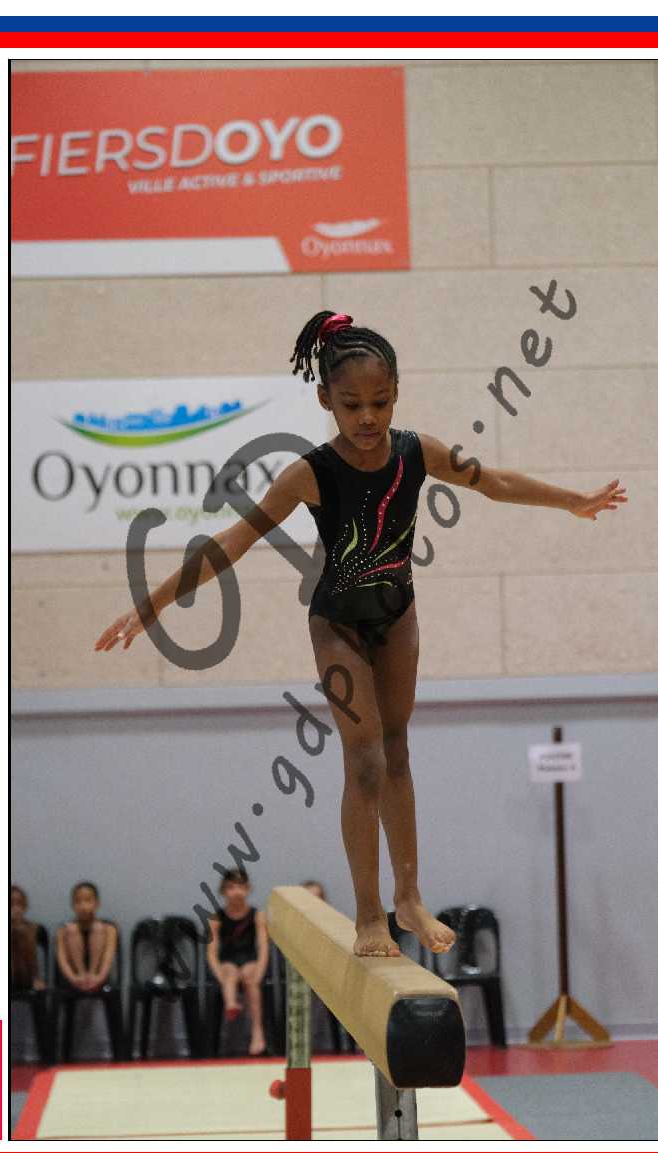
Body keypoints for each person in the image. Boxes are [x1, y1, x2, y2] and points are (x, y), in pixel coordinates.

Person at [95, 311, 627, 959]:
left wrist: (572, 500)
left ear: (397, 392)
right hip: (337, 624)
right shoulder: (310, 472)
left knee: (398, 750)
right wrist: (151, 605)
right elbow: (231, 543)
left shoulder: (417, 452)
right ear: (326, 400)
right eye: (351, 405)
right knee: (365, 757)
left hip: (398, 615)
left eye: (380, 402)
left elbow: (494, 483)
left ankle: (410, 897)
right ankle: (369, 915)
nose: (367, 417)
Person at [55, 881, 127, 1060]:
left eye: (88, 900)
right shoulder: (65, 930)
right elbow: (62, 959)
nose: (83, 906)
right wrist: (75, 978)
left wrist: (98, 977)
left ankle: (91, 974)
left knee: (98, 928)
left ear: (97, 903)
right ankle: (83, 974)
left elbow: (109, 957)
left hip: (99, 976)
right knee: (72, 930)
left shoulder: (109, 928)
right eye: (78, 901)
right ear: (73, 905)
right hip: (75, 978)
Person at [205, 869, 269, 1056]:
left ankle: (257, 1032)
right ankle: (231, 1003)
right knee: (230, 971)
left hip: (250, 959)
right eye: (231, 887)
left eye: (241, 887)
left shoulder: (257, 915)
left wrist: (260, 971)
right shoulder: (216, 918)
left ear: (248, 889)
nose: (236, 892)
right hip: (228, 960)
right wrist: (220, 976)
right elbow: (211, 953)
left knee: (249, 976)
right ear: (223, 891)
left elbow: (263, 946)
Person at [10, 885, 51, 1063]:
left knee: (22, 933)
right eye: (10, 904)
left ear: (25, 906)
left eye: (19, 904)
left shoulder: (32, 928)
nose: (15, 909)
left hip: (26, 977)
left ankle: (46, 1056)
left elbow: (32, 958)